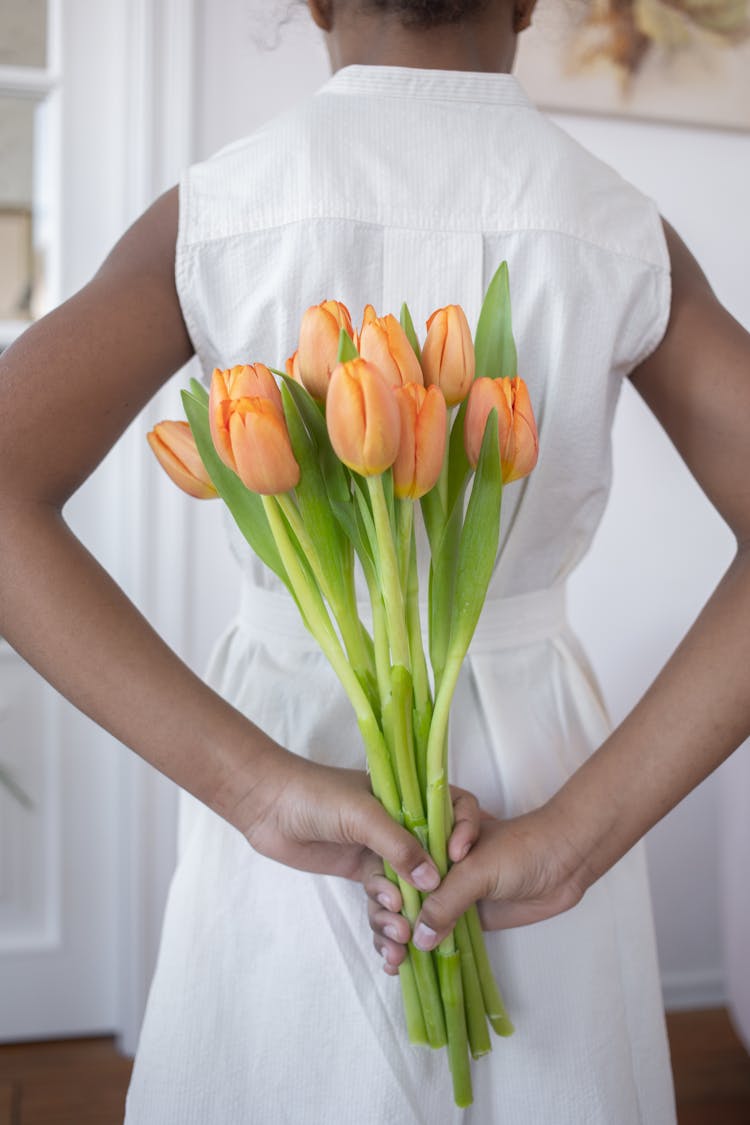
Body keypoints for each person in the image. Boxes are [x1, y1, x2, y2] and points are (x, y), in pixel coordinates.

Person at [0, 0, 747, 1121]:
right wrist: (574, 840)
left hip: (292, 749)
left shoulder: (220, 213)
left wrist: (254, 787)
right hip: (540, 767)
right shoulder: (613, 224)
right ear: (532, 2)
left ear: (312, 0)